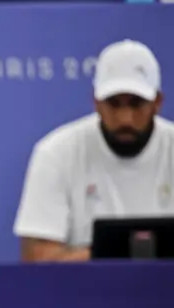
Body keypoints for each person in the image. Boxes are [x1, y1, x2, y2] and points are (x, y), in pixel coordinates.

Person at [13, 39, 172, 262]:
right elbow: (37, 260)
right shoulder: (56, 153)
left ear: (157, 103)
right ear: (96, 102)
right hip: (82, 294)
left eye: (136, 103)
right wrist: (120, 254)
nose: (125, 118)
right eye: (113, 103)